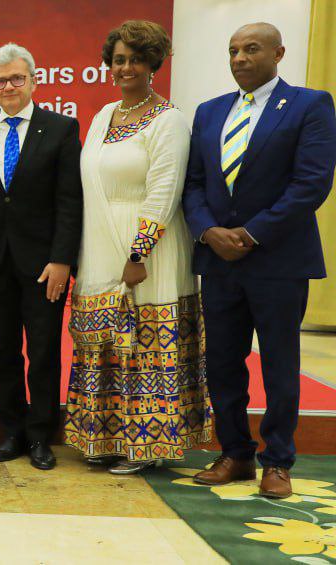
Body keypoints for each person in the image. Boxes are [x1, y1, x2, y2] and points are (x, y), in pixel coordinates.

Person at [184, 23, 336, 498]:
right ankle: (235, 454)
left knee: (278, 364)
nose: (240, 58)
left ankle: (278, 461)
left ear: (278, 53)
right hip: (219, 260)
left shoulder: (310, 105)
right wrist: (208, 231)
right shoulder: (210, 112)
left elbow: (311, 184)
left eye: (251, 49)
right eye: (233, 50)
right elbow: (193, 183)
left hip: (277, 260)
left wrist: (251, 234)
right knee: (222, 363)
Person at [65, 20, 211, 475]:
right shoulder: (103, 116)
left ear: (153, 65)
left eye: (136, 59)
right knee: (105, 343)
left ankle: (147, 446)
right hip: (99, 247)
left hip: (149, 254)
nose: (125, 67)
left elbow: (164, 193)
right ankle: (106, 437)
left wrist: (138, 254)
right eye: (119, 60)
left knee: (145, 348)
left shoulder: (169, 121)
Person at [0, 43, 83, 471]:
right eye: (0, 81)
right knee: (3, 351)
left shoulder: (61, 129)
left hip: (44, 265)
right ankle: (12, 429)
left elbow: (70, 199)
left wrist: (62, 259)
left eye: (17, 78)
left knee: (44, 350)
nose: (8, 87)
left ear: (33, 81)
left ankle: (40, 435)